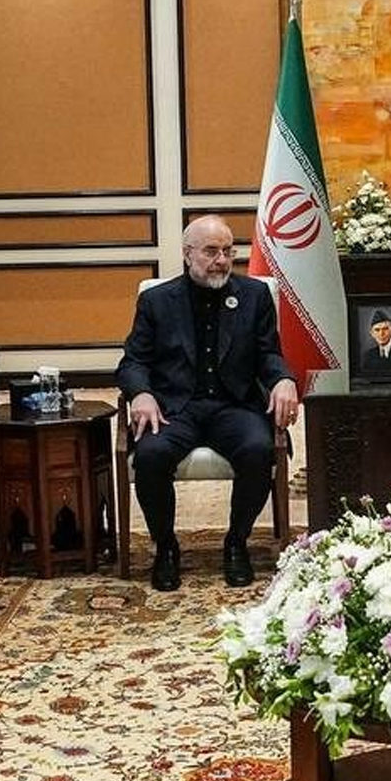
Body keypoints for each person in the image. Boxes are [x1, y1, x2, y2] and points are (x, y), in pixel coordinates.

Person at [117, 215, 298, 591]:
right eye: (211, 251)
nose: (221, 261)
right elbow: (133, 361)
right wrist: (141, 393)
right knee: (150, 455)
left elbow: (269, 354)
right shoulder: (157, 300)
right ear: (188, 254)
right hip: (175, 407)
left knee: (258, 449)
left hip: (234, 405)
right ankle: (166, 547)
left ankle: (236, 542)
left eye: (228, 252)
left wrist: (283, 379)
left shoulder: (254, 295)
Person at [357, 310, 391, 379]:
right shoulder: (368, 356)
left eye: (385, 329)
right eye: (377, 330)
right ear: (372, 333)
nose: (381, 334)